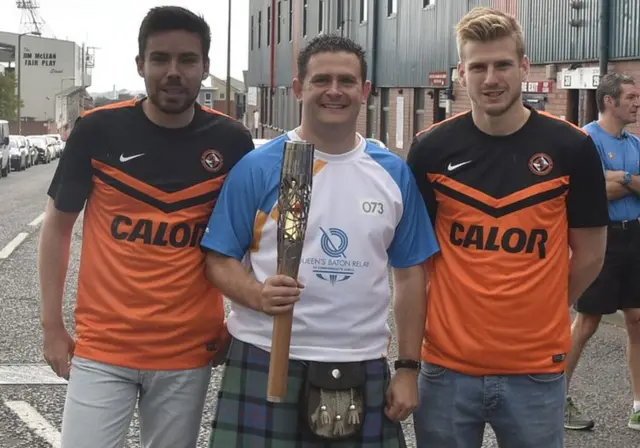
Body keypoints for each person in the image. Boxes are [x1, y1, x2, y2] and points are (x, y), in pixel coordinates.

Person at [200, 34, 440, 447]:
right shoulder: (259, 167)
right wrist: (257, 294)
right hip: (265, 353)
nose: (334, 91)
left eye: (346, 81)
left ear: (365, 91)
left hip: (360, 359)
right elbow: (218, 259)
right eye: (321, 80)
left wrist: (407, 367)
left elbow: (410, 276)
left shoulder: (392, 174)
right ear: (299, 88)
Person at [38, 6, 253, 448]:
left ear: (206, 68)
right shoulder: (97, 129)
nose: (173, 72)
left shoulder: (232, 142)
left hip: (187, 351)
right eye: (160, 59)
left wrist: (239, 318)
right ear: (141, 65)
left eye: (187, 60)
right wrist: (51, 327)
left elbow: (248, 241)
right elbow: (57, 229)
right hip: (103, 347)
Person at [406, 7, 609, 448]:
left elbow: (591, 253)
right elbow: (414, 263)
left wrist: (545, 304)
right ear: (461, 73)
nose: (490, 78)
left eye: (501, 65)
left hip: (536, 370)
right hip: (446, 368)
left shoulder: (572, 147)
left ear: (524, 67)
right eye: (477, 66)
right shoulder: (429, 150)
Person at [564, 72, 640, 431]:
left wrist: (618, 177)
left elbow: (611, 184)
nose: (637, 103)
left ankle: (638, 406)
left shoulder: (635, 143)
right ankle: (557, 396)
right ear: (609, 101)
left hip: (634, 237)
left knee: (637, 319)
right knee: (588, 322)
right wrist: (631, 182)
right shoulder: (586, 140)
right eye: (630, 97)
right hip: (601, 239)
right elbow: (595, 192)